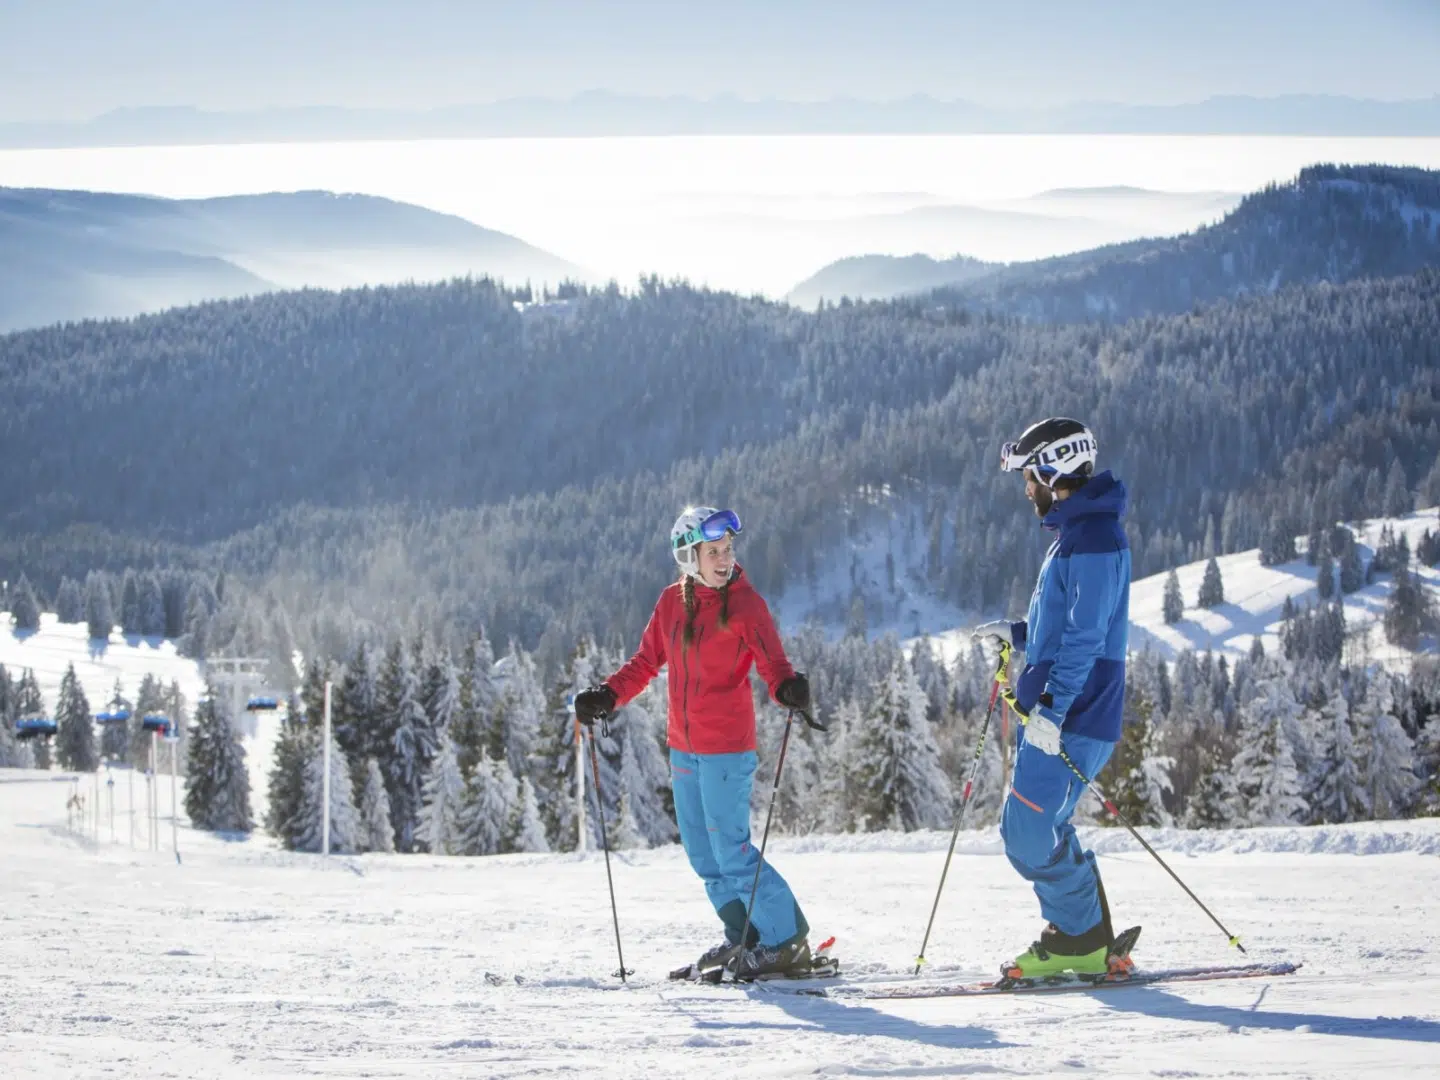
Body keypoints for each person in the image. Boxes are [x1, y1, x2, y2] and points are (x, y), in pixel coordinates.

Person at [573, 506, 814, 979]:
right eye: (714, 552)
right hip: (683, 746)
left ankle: (785, 939)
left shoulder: (746, 605)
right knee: (703, 855)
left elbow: (774, 665)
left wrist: (788, 688)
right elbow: (645, 662)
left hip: (727, 745)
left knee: (731, 850)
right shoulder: (670, 603)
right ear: (689, 556)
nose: (725, 559)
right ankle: (745, 936)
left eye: (727, 550)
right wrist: (608, 694)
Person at [973, 417, 1132, 979]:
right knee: (1037, 827)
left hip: (1072, 713)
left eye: (1030, 477)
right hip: (1059, 711)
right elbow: (1063, 627)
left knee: (1029, 832)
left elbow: (1087, 637)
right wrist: (1016, 634)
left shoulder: (1092, 538)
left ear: (1052, 469)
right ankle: (1089, 935)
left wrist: (1052, 710)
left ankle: (1079, 939)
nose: (1026, 489)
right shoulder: (1078, 534)